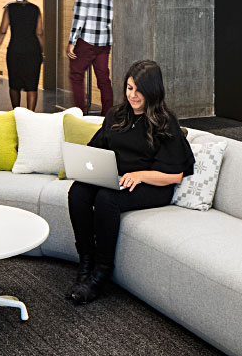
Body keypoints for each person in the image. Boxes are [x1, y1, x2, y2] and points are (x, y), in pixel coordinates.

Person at [66, 60, 195, 304]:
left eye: (138, 90)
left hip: (153, 186)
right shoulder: (117, 115)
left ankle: (101, 273)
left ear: (153, 91)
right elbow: (95, 150)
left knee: (106, 199)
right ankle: (86, 262)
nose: (132, 95)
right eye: (129, 88)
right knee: (78, 193)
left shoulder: (165, 122)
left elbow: (175, 175)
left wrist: (140, 175)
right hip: (117, 180)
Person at [66, 0, 114, 116]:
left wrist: (72, 41)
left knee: (76, 75)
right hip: (104, 41)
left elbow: (80, 15)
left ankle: (81, 115)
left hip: (86, 40)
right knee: (103, 79)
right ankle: (107, 114)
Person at [0, 0, 43, 110]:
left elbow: (2, 32)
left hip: (15, 50)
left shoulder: (10, 9)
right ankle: (30, 114)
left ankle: (16, 112)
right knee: (32, 85)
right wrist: (43, 52)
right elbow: (39, 33)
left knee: (14, 84)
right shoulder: (35, 9)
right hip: (33, 50)